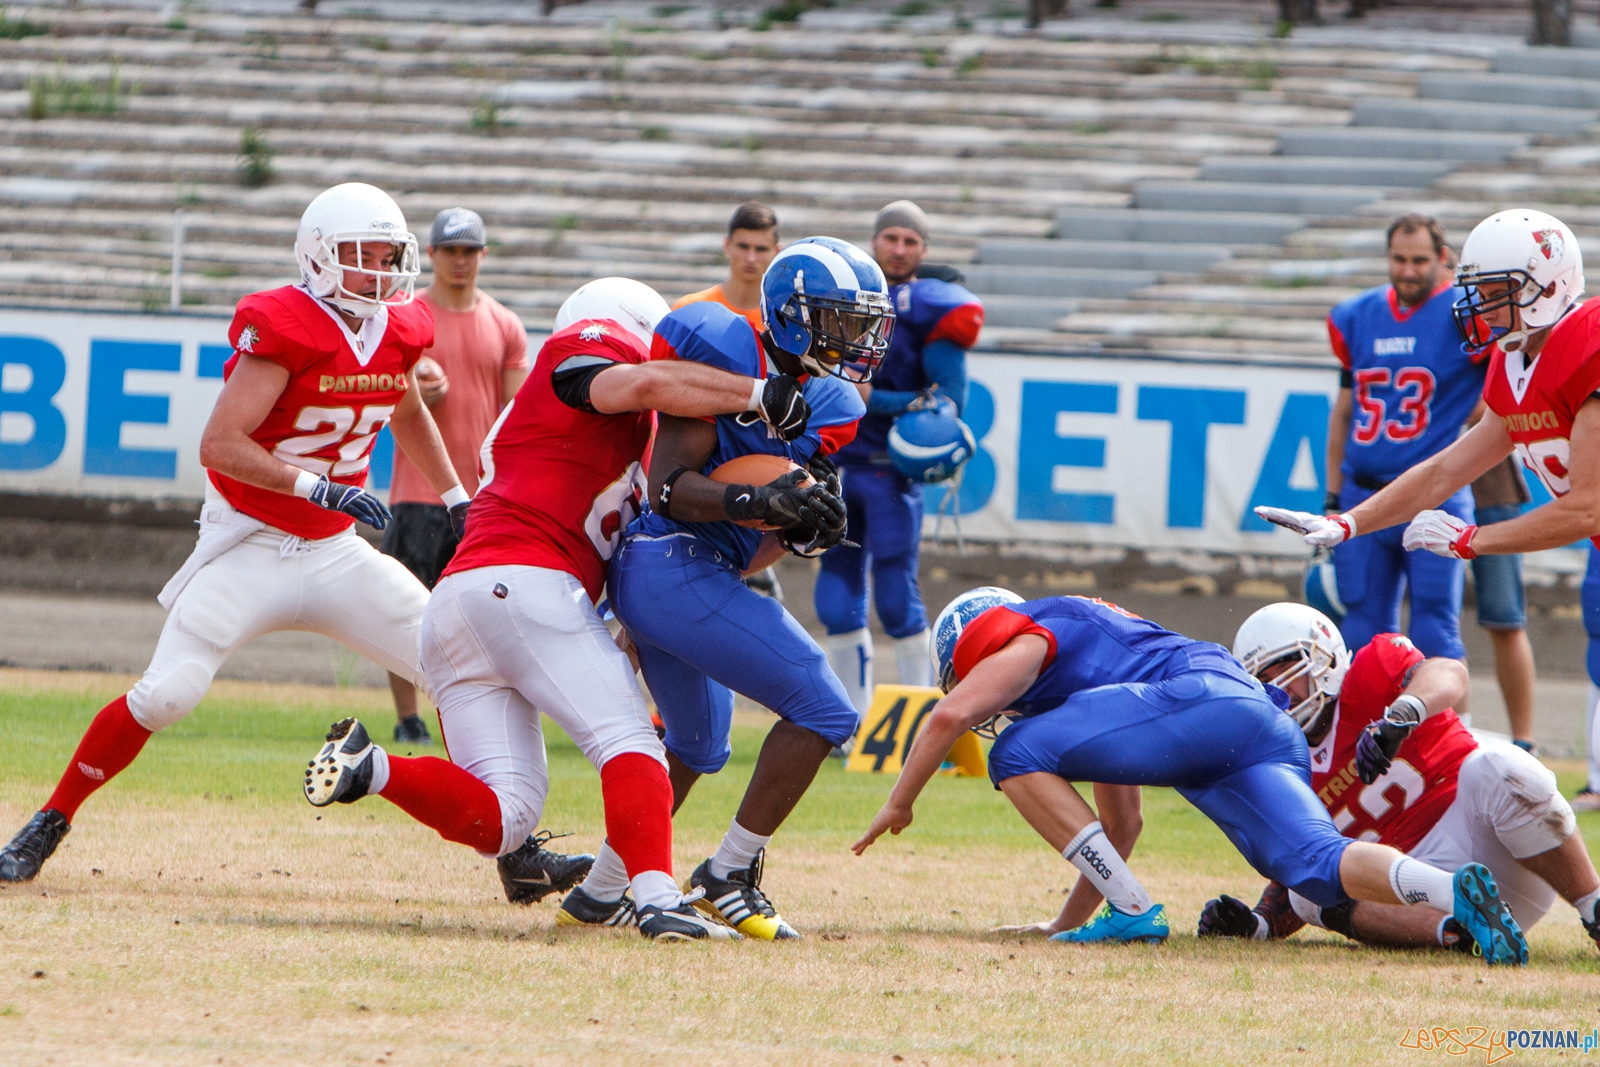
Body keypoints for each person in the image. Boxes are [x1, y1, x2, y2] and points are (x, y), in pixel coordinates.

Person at [0, 184, 592, 888]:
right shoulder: (285, 322)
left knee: (458, 664)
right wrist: (315, 484)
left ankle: (516, 853)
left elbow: (402, 406)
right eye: (361, 254)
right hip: (250, 540)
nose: (378, 269)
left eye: (386, 253)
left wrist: (459, 498)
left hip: (335, 549)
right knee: (167, 694)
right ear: (318, 257)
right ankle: (49, 820)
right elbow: (220, 443)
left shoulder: (400, 325)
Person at [303, 277, 813, 940]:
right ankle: (657, 898)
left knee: (504, 820)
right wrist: (757, 394)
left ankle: (370, 768)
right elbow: (639, 383)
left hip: (463, 604)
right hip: (528, 582)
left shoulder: (645, 440)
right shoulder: (588, 347)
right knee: (630, 740)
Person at [854, 588, 1530, 965]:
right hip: (1252, 721)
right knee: (1316, 866)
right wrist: (1062, 921)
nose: (982, 693)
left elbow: (949, 715)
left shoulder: (1026, 634)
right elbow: (1122, 824)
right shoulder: (1093, 694)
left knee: (1014, 752)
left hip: (1199, 700)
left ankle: (1132, 914)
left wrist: (898, 803)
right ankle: (1458, 893)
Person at [583, 237, 887, 940]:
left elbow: (777, 515)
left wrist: (802, 527)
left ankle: (601, 890)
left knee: (696, 744)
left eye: (862, 322)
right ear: (790, 314)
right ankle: (729, 870)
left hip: (699, 567)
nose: (856, 339)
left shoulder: (833, 400)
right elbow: (668, 486)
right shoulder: (723, 346)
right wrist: (754, 507)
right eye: (840, 319)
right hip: (667, 555)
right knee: (825, 708)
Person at [1257, 208, 1594, 798]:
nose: (1480, 306)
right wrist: (1348, 523)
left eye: (1496, 292)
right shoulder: (1513, 365)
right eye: (1478, 291)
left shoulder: (1584, 340)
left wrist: (1471, 540)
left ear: (1549, 283)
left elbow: (1586, 508)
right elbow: (1444, 469)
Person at [1196, 603, 1599, 954]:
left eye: (1287, 667)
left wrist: (1404, 712)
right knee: (1309, 891)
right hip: (1415, 897)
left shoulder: (1374, 671)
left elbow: (1449, 672)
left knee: (1500, 765)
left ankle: (1593, 906)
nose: (1279, 688)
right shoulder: (1279, 761)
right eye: (1264, 679)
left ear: (1326, 658)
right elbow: (1298, 871)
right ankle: (1462, 936)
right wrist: (1259, 924)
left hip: (1500, 843)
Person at [816, 200, 984, 717]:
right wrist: (898, 402)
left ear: (924, 250)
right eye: (891, 238)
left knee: (895, 597)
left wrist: (917, 411)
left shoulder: (930, 307)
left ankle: (922, 717)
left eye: (911, 241)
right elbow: (835, 384)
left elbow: (951, 394)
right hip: (837, 463)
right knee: (834, 601)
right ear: (874, 242)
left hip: (889, 472)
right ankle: (850, 723)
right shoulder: (848, 296)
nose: (900, 248)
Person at [380, 207, 530, 746]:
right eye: (450, 250)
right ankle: (407, 717)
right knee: (404, 609)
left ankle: (474, 710)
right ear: (433, 255)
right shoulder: (408, 317)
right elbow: (381, 392)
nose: (460, 261)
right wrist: (415, 385)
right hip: (418, 490)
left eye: (469, 251)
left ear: (483, 255)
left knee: (478, 616)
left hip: (481, 497)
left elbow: (517, 412)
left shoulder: (504, 324)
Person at [1320, 215, 1485, 699]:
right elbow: (1344, 412)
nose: (1407, 270)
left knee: (1436, 630)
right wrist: (1332, 494)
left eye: (1418, 260)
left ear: (1441, 259)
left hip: (1436, 494)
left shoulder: (1466, 312)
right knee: (1361, 629)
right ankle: (1361, 743)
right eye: (1398, 259)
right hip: (1364, 490)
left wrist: (1464, 433)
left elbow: (1499, 399)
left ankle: (1454, 744)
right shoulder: (1358, 314)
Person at [1468, 456, 1537, 748]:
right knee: (1432, 618)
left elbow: (1486, 410)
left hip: (1490, 487)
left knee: (1505, 618)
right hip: (1424, 486)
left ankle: (1524, 742)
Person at [673, 201, 780, 331]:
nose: (751, 258)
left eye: (761, 249)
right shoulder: (689, 310)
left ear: (777, 252)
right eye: (743, 246)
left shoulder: (782, 323)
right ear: (727, 246)